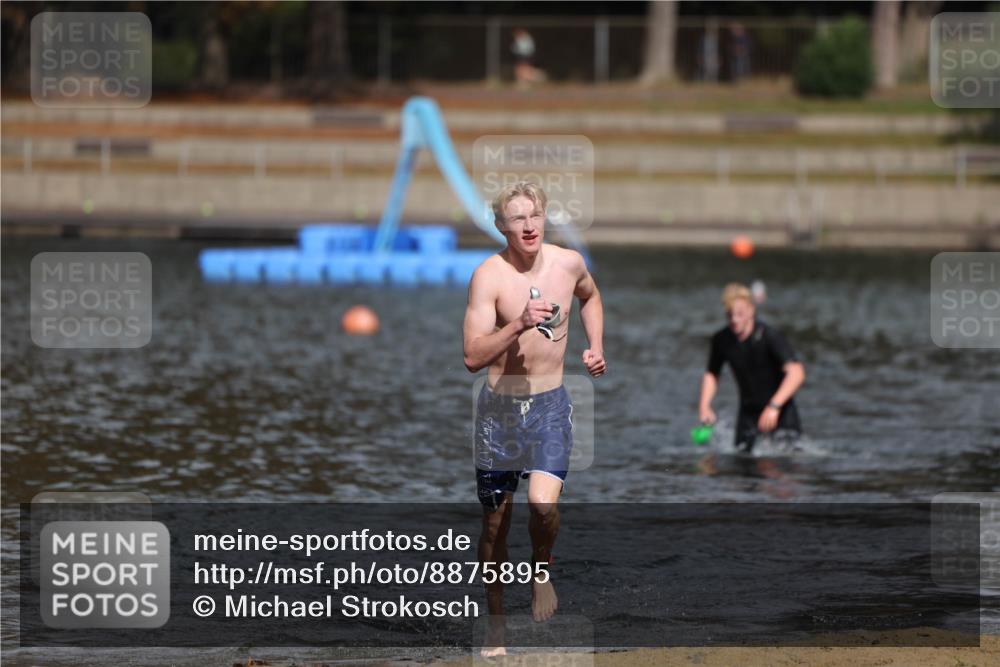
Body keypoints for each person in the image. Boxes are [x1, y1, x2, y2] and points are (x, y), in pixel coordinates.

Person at [463, 181, 605, 656]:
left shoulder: (569, 263)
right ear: (501, 226)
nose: (528, 225)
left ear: (545, 218)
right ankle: (496, 621)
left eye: (535, 215)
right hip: (499, 415)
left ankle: (541, 569)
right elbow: (471, 356)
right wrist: (519, 322)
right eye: (517, 218)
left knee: (543, 506)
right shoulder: (488, 277)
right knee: (494, 525)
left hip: (548, 405)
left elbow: (592, 297)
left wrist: (595, 347)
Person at [698, 283, 805, 453]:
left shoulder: (770, 336)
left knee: (785, 470)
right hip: (748, 415)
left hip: (781, 414)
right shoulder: (721, 340)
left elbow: (796, 373)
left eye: (739, 314)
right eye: (730, 315)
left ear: (751, 310)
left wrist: (774, 406)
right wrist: (705, 406)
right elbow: (712, 374)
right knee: (741, 467)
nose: (734, 320)